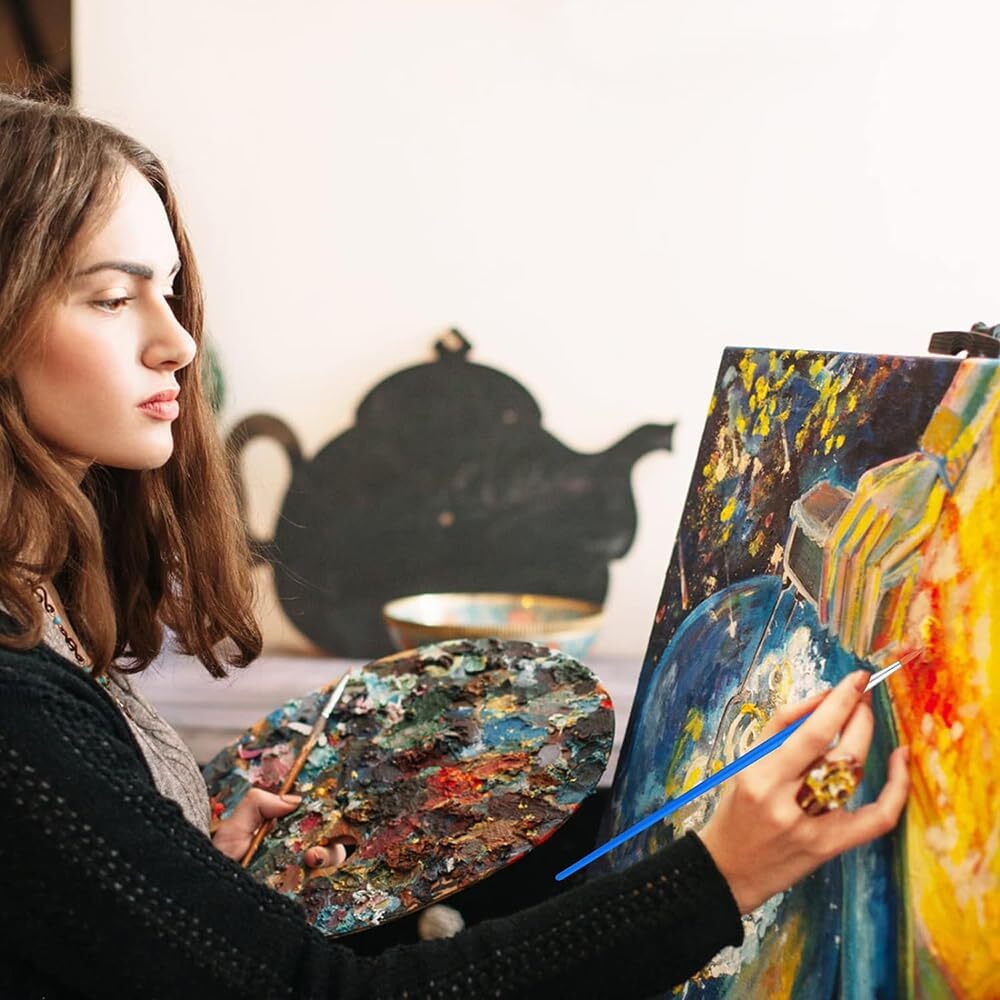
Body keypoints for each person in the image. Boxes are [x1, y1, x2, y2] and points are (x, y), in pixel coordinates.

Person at [0, 85, 911, 999]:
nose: (178, 342)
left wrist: (194, 887)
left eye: (169, 291)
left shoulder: (43, 599)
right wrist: (722, 876)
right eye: (112, 298)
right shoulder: (15, 699)